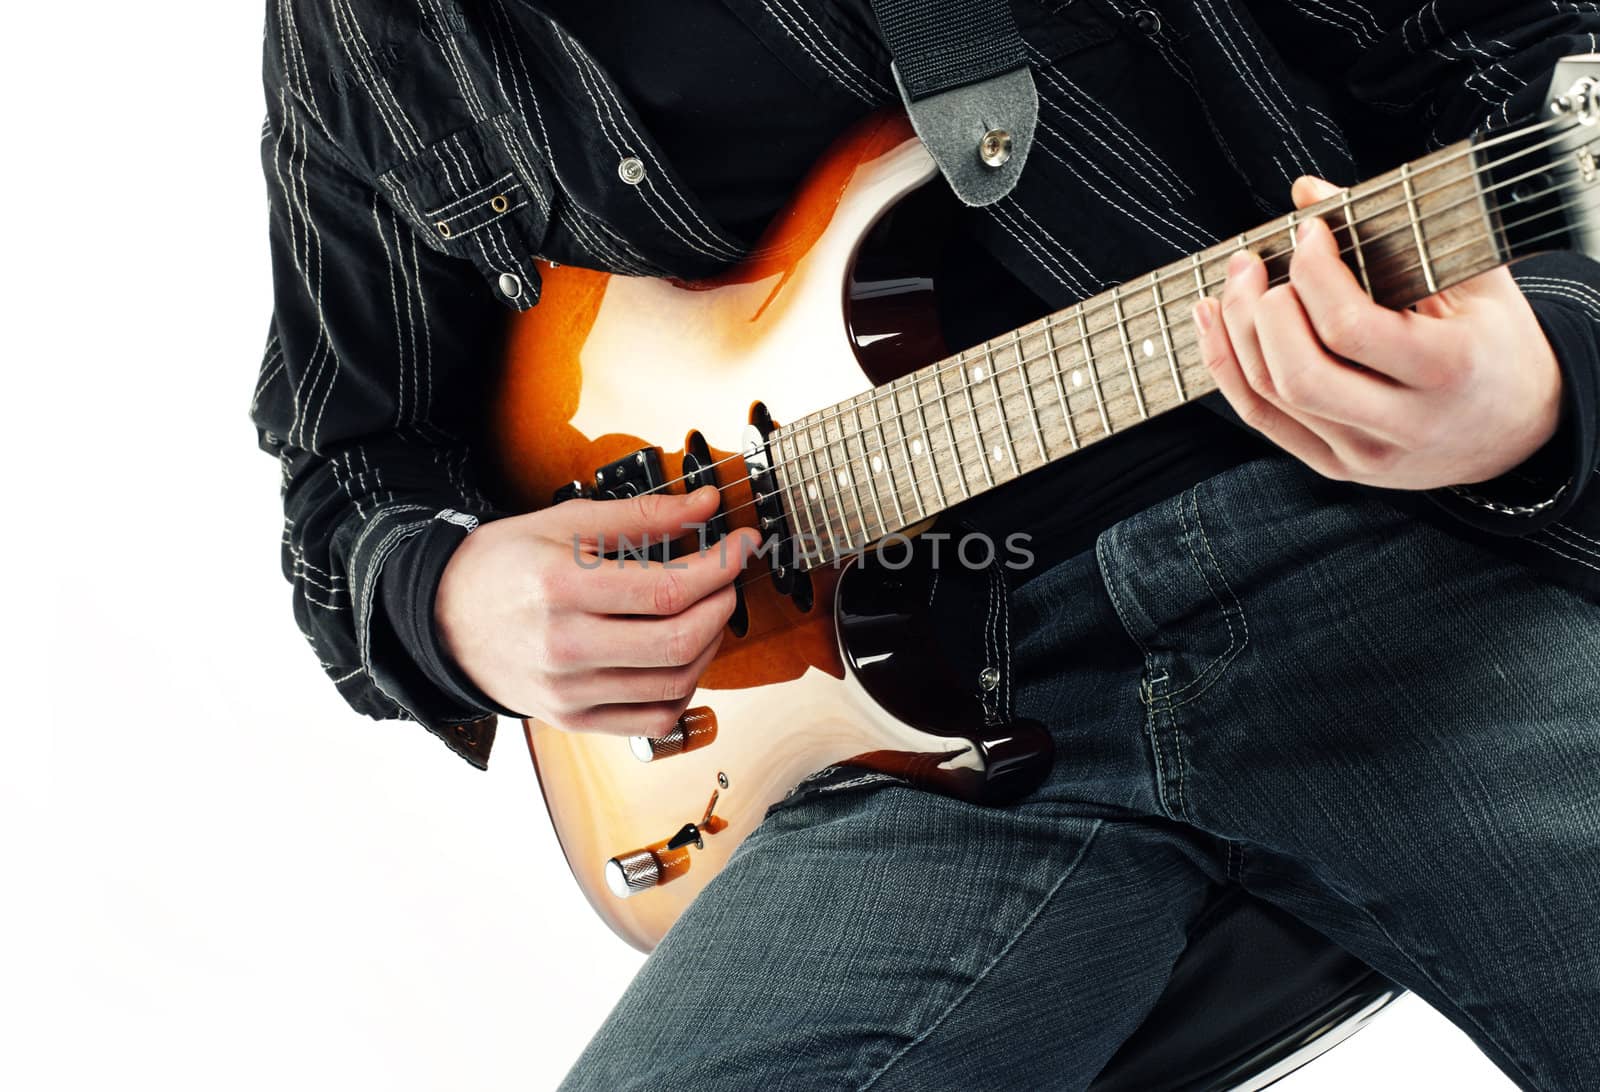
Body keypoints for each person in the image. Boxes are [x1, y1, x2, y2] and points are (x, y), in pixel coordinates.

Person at [253, 1, 1600, 1087]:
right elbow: (350, 452)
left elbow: (1521, 57)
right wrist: (450, 601)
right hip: (902, 758)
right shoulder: (360, 30)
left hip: (1368, 560)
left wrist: (1536, 375)